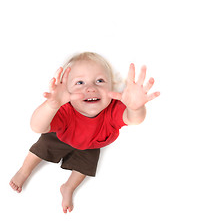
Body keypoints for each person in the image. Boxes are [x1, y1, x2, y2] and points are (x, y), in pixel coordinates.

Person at [9, 52, 160, 213]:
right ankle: (23, 171)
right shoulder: (64, 110)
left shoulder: (112, 109)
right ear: (66, 91)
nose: (91, 88)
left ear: (111, 87)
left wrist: (135, 107)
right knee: (41, 148)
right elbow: (36, 127)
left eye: (100, 81)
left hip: (91, 145)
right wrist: (51, 106)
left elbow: (133, 119)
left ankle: (68, 188)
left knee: (84, 168)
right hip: (60, 136)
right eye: (80, 82)